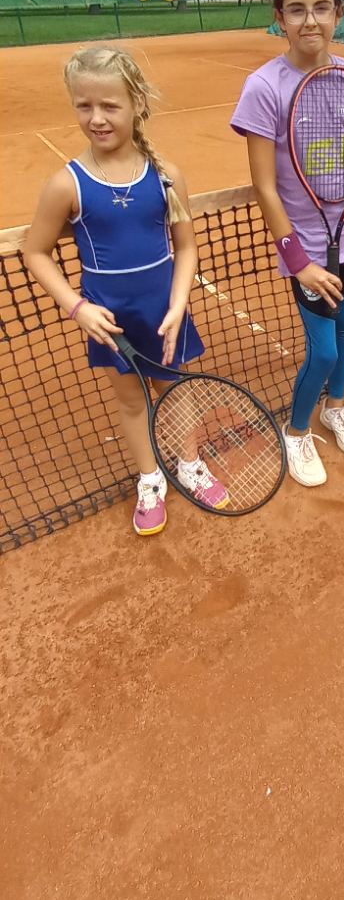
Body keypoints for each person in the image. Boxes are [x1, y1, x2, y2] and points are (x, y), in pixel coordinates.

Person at [23, 45, 228, 537]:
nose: (96, 118)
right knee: (133, 402)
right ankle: (150, 478)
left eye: (109, 105)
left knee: (175, 391)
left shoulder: (166, 176)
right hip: (109, 320)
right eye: (84, 105)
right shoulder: (66, 184)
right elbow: (36, 252)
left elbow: (186, 248)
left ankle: (190, 464)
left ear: (136, 103)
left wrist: (179, 303)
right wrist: (78, 309)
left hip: (164, 313)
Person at [231, 0, 344, 488]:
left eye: (321, 7)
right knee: (326, 348)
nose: (309, 20)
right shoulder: (264, 87)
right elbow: (265, 187)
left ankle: (335, 407)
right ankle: (295, 432)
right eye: (296, 9)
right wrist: (298, 261)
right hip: (306, 250)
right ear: (279, 17)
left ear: (338, 12)